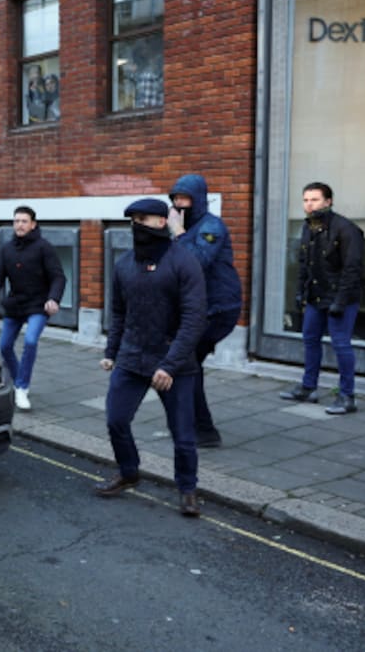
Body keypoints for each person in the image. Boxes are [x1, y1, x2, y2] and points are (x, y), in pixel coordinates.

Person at [96, 198, 206, 517]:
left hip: (175, 363)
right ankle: (129, 472)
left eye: (144, 219)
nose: (137, 225)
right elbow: (119, 312)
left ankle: (187, 489)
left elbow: (194, 318)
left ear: (162, 222)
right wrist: (111, 351)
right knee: (116, 419)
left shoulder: (184, 262)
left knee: (183, 434)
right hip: (132, 357)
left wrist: (170, 365)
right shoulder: (124, 264)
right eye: (134, 220)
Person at [166, 174, 242, 448]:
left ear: (197, 199)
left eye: (184, 199)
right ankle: (199, 427)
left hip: (220, 309)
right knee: (188, 365)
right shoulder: (184, 226)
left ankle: (203, 429)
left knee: (185, 362)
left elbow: (195, 263)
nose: (178, 204)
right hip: (199, 308)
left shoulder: (212, 226)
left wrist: (178, 232)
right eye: (175, 199)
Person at [279, 182, 364, 414]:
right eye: (306, 200)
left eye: (314, 200)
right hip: (316, 296)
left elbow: (352, 269)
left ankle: (347, 396)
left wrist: (340, 301)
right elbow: (305, 264)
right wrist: (300, 292)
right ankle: (308, 388)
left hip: (341, 298)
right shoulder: (309, 227)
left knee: (341, 344)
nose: (309, 204)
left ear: (328, 201)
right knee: (310, 340)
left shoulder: (346, 229)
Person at [0, 206, 66, 411]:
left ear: (33, 224)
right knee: (4, 346)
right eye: (16, 221)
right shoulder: (7, 249)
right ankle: (18, 380)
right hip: (15, 305)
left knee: (31, 341)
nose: (19, 225)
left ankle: (22, 387)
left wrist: (53, 299)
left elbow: (58, 277)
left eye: (24, 221)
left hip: (38, 305)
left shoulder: (44, 247)